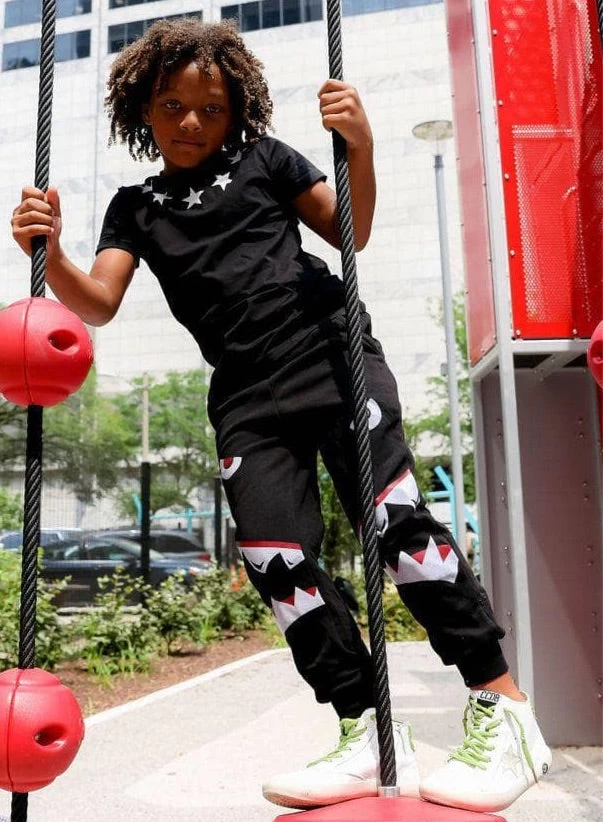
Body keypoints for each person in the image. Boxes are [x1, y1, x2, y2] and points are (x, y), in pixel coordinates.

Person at [10, 18, 551, 814]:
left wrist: (360, 146)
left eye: (211, 108)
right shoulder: (135, 208)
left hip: (326, 354)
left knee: (395, 524)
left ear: (235, 113)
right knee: (275, 559)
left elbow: (351, 231)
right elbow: (97, 303)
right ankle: (364, 726)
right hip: (243, 392)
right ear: (142, 109)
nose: (191, 122)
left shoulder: (265, 160)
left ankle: (502, 709)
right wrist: (51, 251)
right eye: (172, 105)